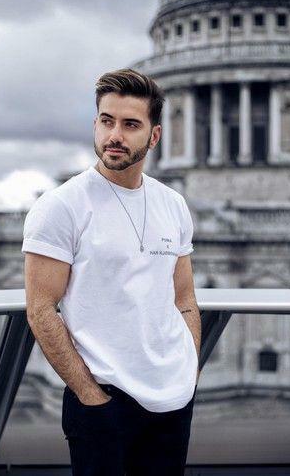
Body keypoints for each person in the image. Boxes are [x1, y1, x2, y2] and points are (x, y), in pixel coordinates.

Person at [22, 68, 201, 475]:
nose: (114, 135)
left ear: (154, 136)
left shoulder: (173, 204)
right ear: (95, 124)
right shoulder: (60, 206)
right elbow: (40, 310)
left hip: (172, 398)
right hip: (103, 402)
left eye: (130, 124)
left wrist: (188, 369)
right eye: (107, 121)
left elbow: (184, 297)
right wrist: (89, 395)